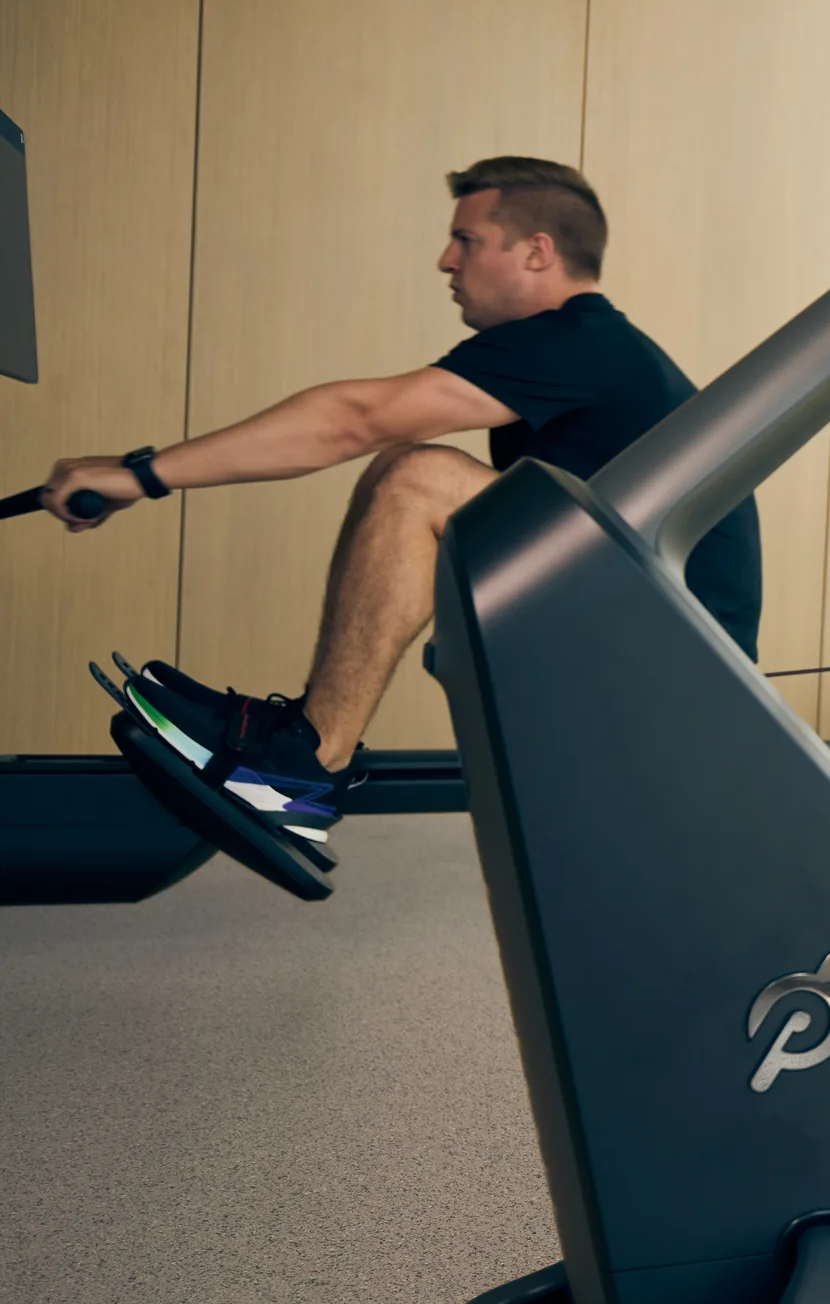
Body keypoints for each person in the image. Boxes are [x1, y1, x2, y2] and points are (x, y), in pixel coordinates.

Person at [43, 157, 761, 844]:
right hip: (639, 626)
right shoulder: (585, 345)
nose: (446, 261)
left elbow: (353, 419)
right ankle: (303, 747)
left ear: (537, 251)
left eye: (466, 239)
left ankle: (304, 762)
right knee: (415, 474)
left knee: (418, 476)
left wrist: (139, 473)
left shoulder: (575, 341)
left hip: (678, 664)